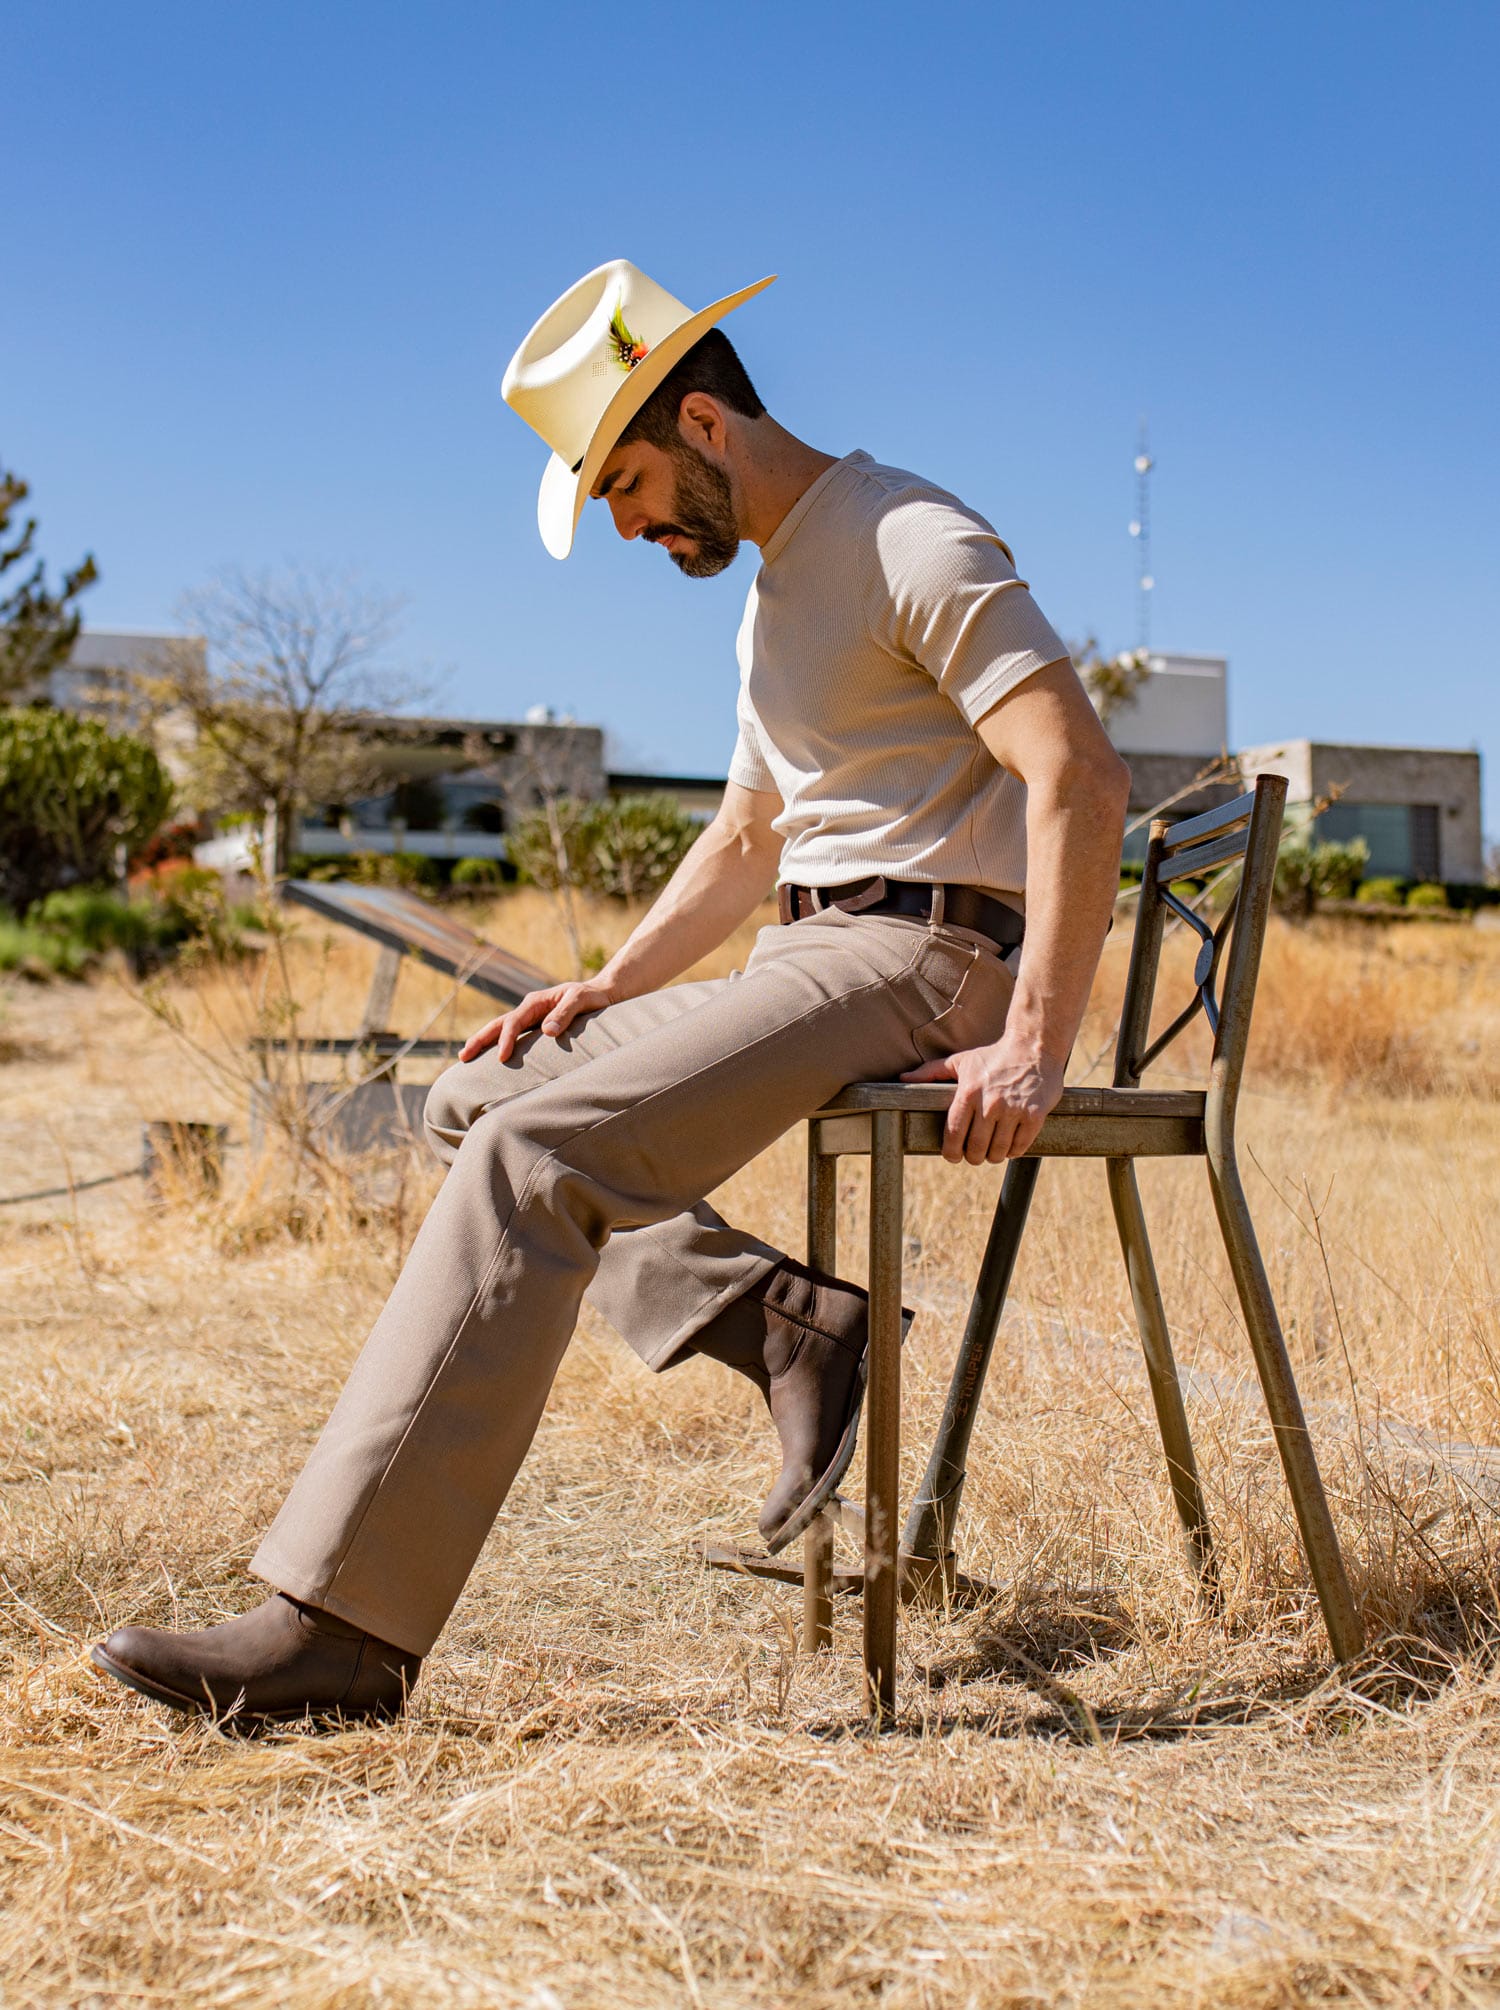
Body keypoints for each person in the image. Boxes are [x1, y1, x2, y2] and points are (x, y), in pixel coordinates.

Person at [92, 260, 1130, 1724]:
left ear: (705, 424)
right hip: (813, 953)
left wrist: (1036, 1039)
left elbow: (1081, 771)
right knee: (479, 1095)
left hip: (925, 959)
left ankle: (341, 1626)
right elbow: (745, 841)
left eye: (629, 485)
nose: (630, 524)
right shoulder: (773, 601)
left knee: (537, 1156)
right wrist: (604, 983)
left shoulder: (911, 535)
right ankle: (785, 1324)